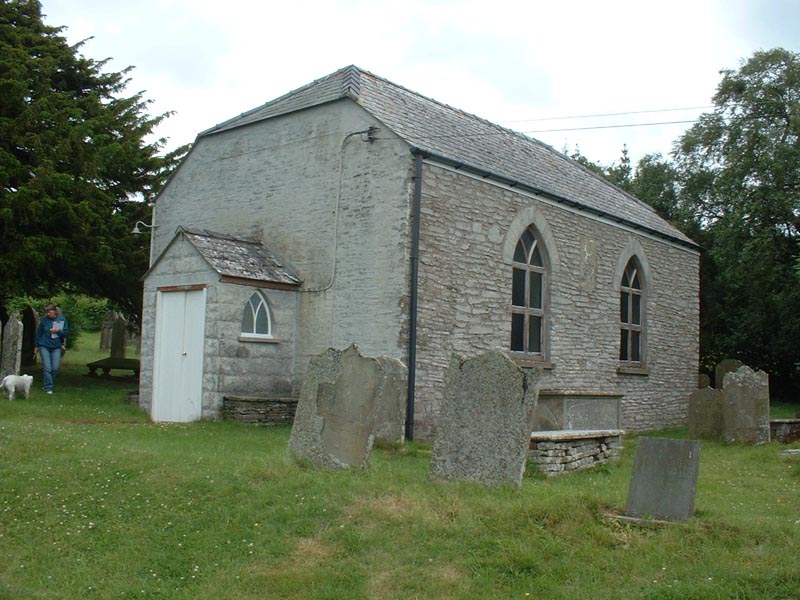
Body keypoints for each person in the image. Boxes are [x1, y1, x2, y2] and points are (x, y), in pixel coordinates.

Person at [34, 303, 69, 395]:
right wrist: (36, 346)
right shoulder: (45, 321)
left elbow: (65, 333)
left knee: (55, 368)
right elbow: (39, 333)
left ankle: (48, 383)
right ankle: (48, 387)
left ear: (54, 311)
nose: (48, 314)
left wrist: (58, 331)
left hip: (56, 346)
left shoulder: (62, 320)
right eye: (47, 312)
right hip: (44, 345)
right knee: (47, 368)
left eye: (49, 312)